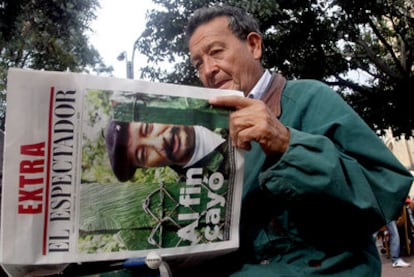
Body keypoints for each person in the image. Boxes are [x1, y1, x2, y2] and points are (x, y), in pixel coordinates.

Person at [171, 5, 414, 277]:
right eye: (198, 63)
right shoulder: (212, 138)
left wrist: (287, 144)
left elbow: (386, 191)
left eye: (216, 52)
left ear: (253, 46)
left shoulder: (310, 98)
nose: (208, 70)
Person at [105, 120, 229, 182]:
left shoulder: (213, 105)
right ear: (147, 166)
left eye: (148, 128)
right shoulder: (198, 193)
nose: (159, 143)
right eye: (143, 154)